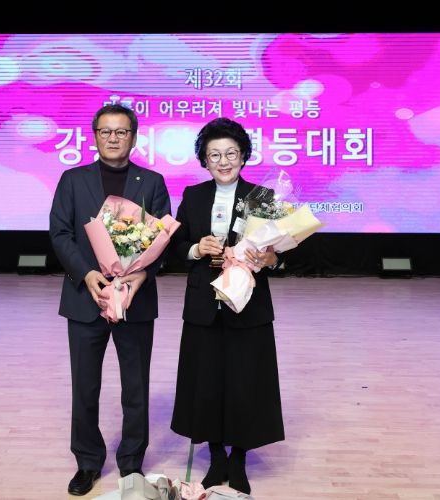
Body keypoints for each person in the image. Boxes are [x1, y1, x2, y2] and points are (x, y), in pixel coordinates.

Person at [49, 104, 171, 496]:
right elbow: (60, 234)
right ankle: (87, 462)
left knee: (136, 387)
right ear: (95, 136)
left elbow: (162, 239)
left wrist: (139, 276)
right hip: (86, 299)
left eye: (121, 132)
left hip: (135, 300)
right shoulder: (72, 180)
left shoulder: (152, 182)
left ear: (134, 138)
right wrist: (87, 275)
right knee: (85, 387)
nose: (113, 138)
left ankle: (131, 463)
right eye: (105, 131)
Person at [169, 117, 285, 495]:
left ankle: (238, 459)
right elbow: (175, 245)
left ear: (244, 156)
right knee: (206, 382)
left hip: (247, 302)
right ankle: (216, 456)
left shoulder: (262, 197)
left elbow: (280, 252)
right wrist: (195, 248)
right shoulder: (193, 196)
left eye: (231, 153)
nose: (223, 161)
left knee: (245, 382)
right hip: (204, 302)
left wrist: (269, 259)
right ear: (204, 160)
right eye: (215, 155)